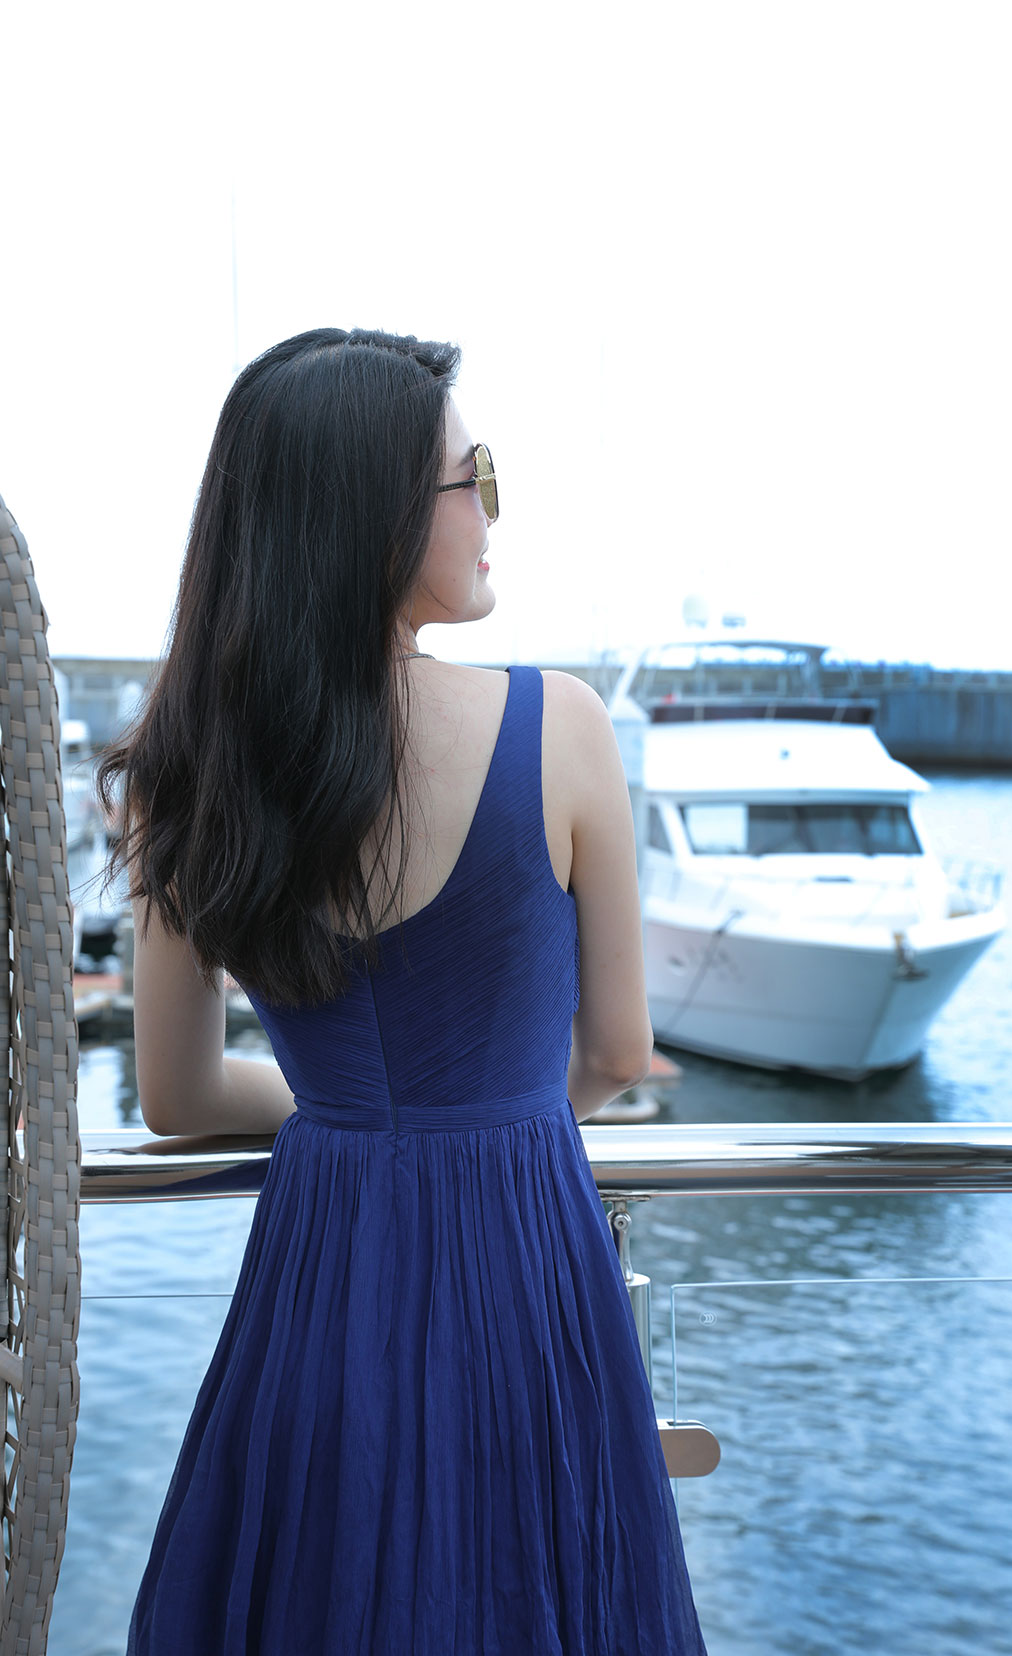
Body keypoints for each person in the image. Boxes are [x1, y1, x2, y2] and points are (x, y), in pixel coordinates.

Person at [100, 327, 709, 1654]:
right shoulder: (560, 728)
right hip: (524, 1266)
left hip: (319, 1272)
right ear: (376, 515)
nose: (492, 510)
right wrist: (472, 1120)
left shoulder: (192, 767)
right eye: (473, 476)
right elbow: (617, 1050)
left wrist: (359, 1117)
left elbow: (177, 1095)